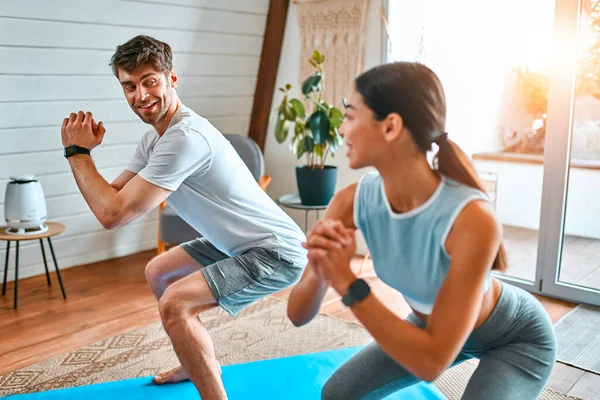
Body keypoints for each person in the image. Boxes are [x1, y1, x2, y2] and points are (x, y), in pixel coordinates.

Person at [287, 62, 557, 400]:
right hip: (430, 327)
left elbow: (430, 364)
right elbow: (297, 315)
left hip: (514, 337)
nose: (342, 130)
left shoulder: (471, 218)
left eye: (352, 116)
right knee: (338, 394)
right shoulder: (351, 201)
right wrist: (319, 269)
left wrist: (348, 283)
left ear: (391, 126)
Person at [60, 35, 307, 400]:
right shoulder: (154, 140)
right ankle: (195, 358)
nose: (140, 95)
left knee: (175, 303)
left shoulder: (186, 137)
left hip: (276, 251)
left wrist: (77, 153)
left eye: (149, 81)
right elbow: (109, 198)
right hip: (236, 242)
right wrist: (82, 155)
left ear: (171, 79)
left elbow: (113, 214)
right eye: (129, 86)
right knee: (158, 272)